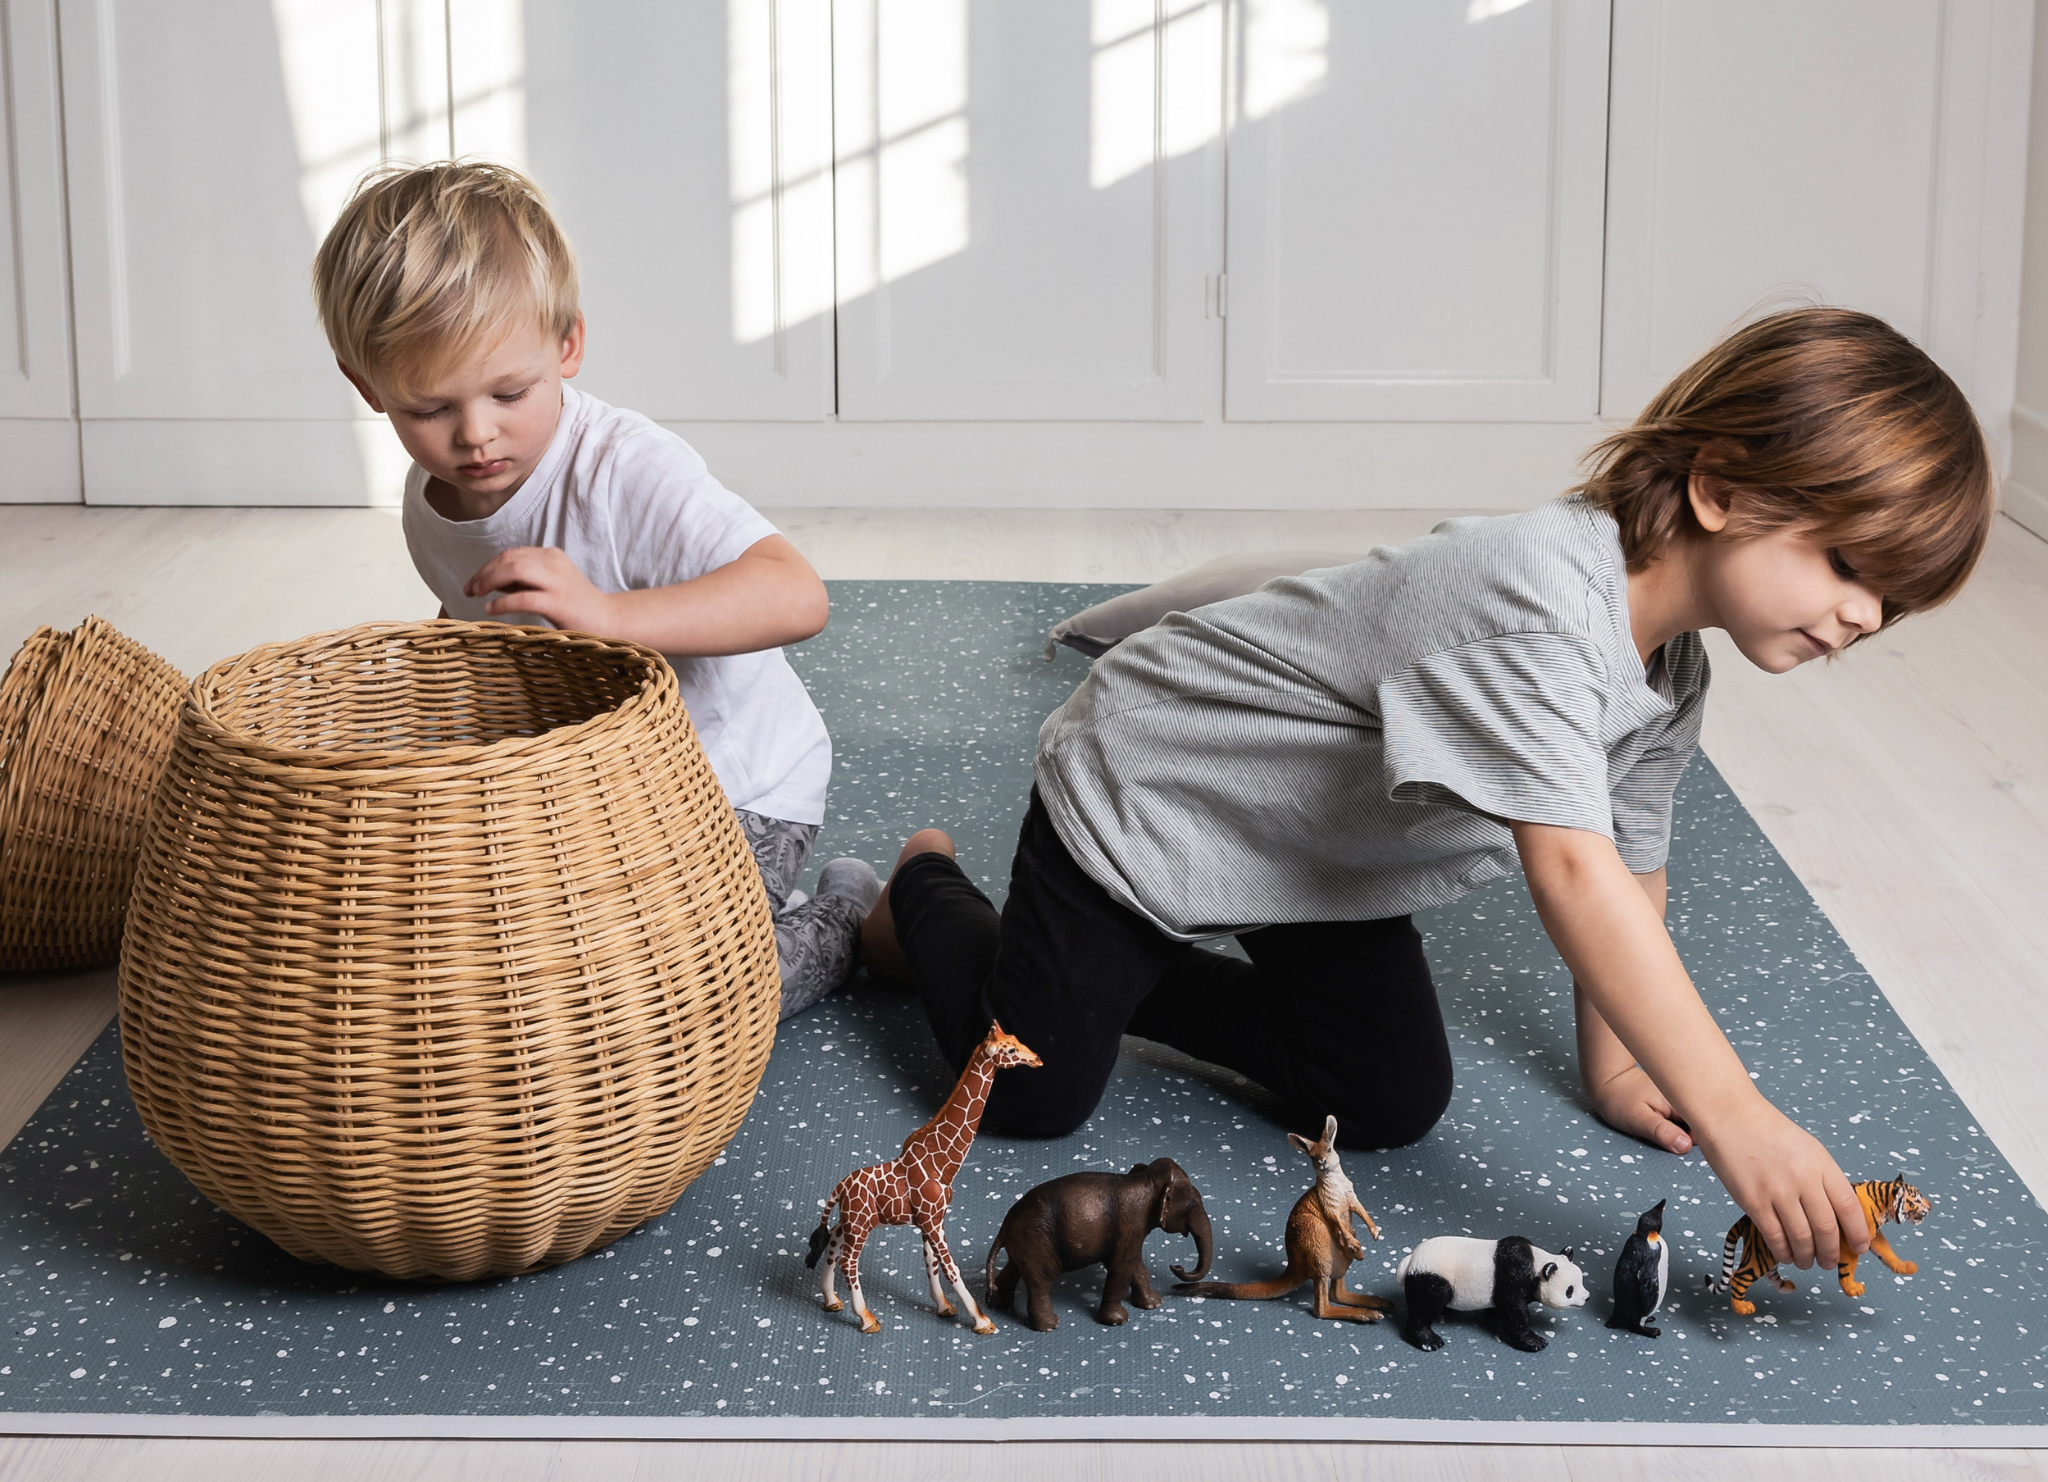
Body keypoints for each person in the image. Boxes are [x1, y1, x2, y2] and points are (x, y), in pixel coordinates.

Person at [860, 309, 1996, 1280]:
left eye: (1888, 604)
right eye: (1848, 567)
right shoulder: (1539, 600)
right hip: (1149, 798)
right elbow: (1569, 870)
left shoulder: (1672, 674)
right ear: (1716, 488)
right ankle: (919, 888)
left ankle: (1099, 983)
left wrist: (1612, 1065)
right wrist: (1739, 1112)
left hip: (1309, 860)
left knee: (1386, 1096)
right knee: (1030, 1097)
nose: (1860, 618)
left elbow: (1628, 865)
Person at [311, 159, 879, 1018]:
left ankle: (849, 919)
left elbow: (797, 595)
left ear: (568, 343)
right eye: (428, 410)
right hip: (591, 801)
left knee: (678, 1002)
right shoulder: (429, 501)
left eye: (510, 391)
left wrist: (607, 617)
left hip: (735, 787)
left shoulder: (625, 470)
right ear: (369, 386)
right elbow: (474, 615)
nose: (475, 435)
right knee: (487, 973)